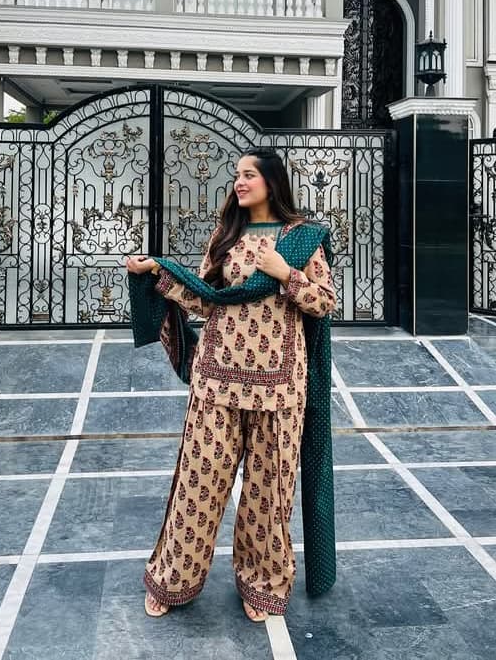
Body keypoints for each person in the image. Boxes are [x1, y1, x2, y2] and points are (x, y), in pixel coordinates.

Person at [125, 147, 337, 622]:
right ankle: (172, 579)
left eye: (248, 174)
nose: (239, 182)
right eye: (237, 175)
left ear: (271, 182)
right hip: (216, 381)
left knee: (269, 494)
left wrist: (285, 274)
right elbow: (207, 300)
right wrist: (156, 271)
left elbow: (324, 303)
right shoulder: (227, 235)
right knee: (197, 485)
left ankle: (263, 583)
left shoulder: (302, 238)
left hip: (279, 389)